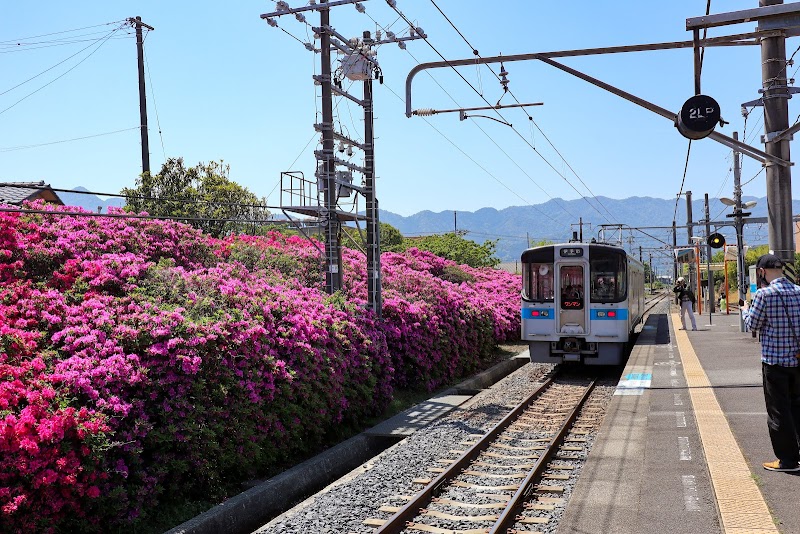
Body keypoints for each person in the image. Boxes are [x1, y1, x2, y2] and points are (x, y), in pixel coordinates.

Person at [742, 253, 800, 472]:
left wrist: (745, 311)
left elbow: (753, 324)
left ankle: (788, 461)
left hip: (775, 364)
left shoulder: (764, 295)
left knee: (779, 412)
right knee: (797, 407)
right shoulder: (798, 292)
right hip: (797, 361)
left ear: (762, 272)